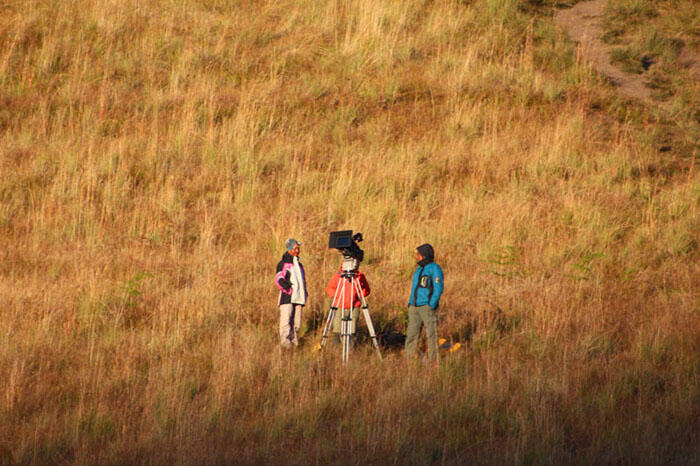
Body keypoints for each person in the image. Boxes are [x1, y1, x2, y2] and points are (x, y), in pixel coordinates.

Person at [405, 243, 444, 362]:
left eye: (419, 254)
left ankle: (433, 361)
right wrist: (411, 303)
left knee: (431, 335)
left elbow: (438, 288)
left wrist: (431, 304)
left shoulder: (434, 268)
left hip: (426, 307)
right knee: (411, 334)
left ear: (425, 255)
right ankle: (409, 361)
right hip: (414, 307)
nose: (417, 256)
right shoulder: (418, 269)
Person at [324, 259, 370, 343]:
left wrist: (358, 294)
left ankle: (351, 349)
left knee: (352, 329)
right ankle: (335, 350)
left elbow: (366, 289)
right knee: (337, 328)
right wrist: (338, 296)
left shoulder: (359, 276)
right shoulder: (338, 276)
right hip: (339, 305)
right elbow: (329, 288)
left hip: (354, 305)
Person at [275, 238, 308, 348]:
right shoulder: (283, 263)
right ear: (290, 249)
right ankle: (285, 346)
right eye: (295, 248)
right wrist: (289, 290)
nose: (297, 251)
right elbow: (279, 280)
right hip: (287, 299)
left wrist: (304, 294)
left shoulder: (299, 265)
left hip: (299, 299)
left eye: (298, 248)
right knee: (286, 323)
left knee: (296, 324)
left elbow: (302, 281)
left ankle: (294, 346)